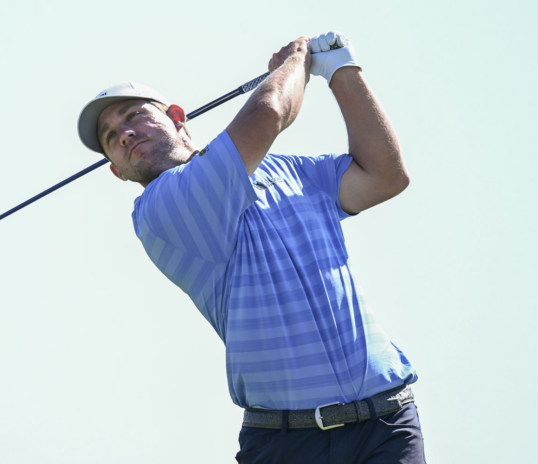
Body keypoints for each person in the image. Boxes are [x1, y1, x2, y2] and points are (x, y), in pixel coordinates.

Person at [77, 31, 425, 464]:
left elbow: (385, 176)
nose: (125, 133)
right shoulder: (161, 209)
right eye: (111, 137)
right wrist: (297, 62)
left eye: (134, 116)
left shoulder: (285, 169)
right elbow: (270, 112)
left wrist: (342, 69)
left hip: (387, 421)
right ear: (117, 171)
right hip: (288, 443)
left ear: (177, 117)